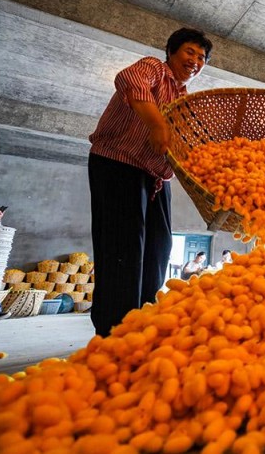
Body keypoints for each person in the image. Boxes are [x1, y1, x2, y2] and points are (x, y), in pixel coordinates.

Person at [88, 28, 212, 337]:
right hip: (119, 163)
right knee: (124, 247)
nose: (196, 60)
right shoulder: (155, 68)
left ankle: (143, 319)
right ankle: (115, 330)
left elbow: (190, 148)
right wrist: (157, 123)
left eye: (202, 57)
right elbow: (129, 80)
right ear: (171, 52)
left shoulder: (184, 101)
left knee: (159, 248)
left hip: (156, 179)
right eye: (190, 52)